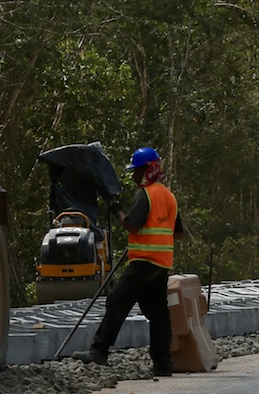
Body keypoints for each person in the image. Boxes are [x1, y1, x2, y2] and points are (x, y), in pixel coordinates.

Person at [74, 146, 186, 377]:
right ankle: (163, 364)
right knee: (157, 312)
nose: (134, 176)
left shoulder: (146, 194)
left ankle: (99, 350)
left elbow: (132, 224)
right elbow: (178, 233)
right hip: (162, 263)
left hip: (145, 261)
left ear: (148, 170)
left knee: (117, 300)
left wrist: (116, 210)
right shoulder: (169, 196)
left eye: (136, 171)